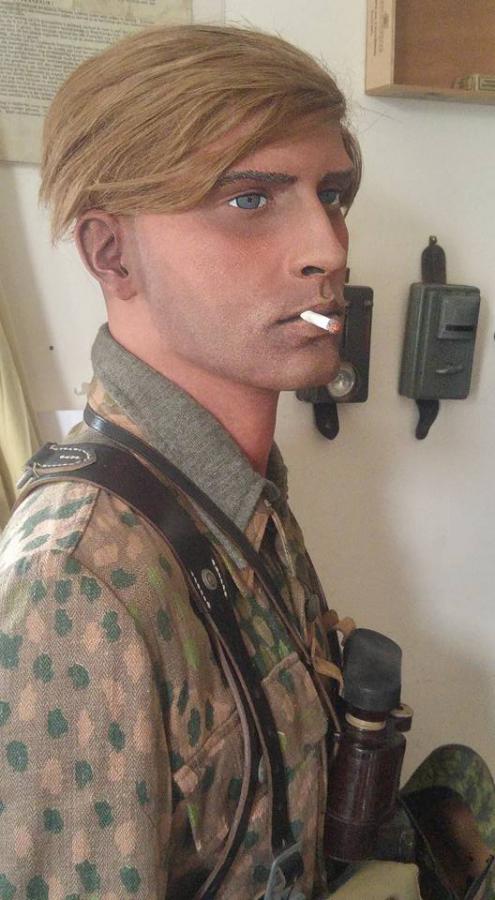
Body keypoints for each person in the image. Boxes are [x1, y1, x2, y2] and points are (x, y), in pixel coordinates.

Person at [0, 23, 493, 900]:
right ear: (112, 253)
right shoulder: (77, 580)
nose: (328, 250)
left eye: (331, 194)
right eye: (250, 199)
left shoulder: (227, 491)